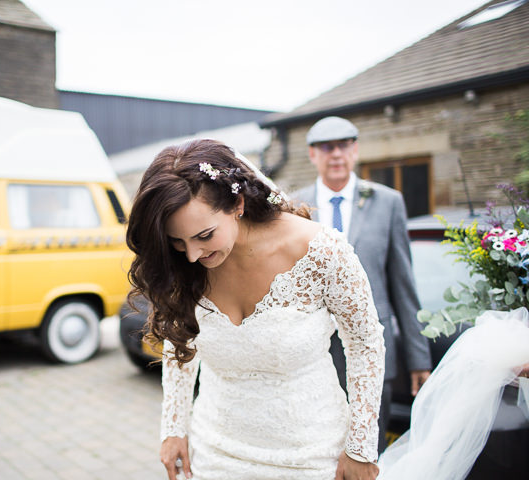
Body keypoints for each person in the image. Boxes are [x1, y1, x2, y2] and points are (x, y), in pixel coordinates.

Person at [126, 138, 385, 480]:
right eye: (178, 241)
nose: (191, 254)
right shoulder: (185, 266)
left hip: (311, 457)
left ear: (237, 203)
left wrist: (361, 447)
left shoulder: (321, 251)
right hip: (213, 456)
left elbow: (365, 343)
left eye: (204, 235)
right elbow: (180, 341)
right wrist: (174, 427)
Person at [292, 116, 432, 452]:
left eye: (343, 145)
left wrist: (419, 359)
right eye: (327, 147)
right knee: (319, 448)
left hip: (373, 351)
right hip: (312, 352)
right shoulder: (294, 204)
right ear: (313, 155)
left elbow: (403, 284)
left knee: (369, 448)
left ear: (355, 150)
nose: (336, 154)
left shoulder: (388, 201)